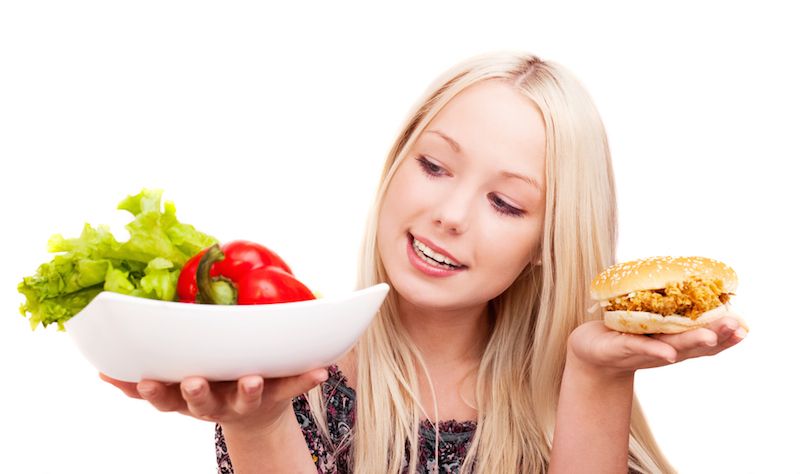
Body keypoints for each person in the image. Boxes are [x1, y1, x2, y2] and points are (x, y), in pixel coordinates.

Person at [102, 52, 747, 473]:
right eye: (434, 166)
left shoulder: (574, 408)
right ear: (394, 167)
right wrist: (259, 427)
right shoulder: (292, 380)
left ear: (549, 246)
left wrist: (594, 376)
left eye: (506, 202)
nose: (452, 214)